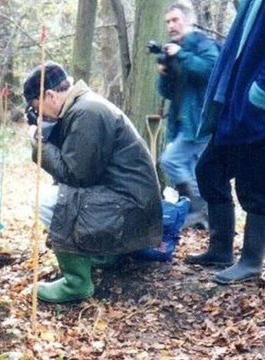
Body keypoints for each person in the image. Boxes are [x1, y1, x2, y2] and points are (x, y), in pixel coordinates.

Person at [23, 62, 163, 303]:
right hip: (129, 203)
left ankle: (76, 282)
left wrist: (40, 145)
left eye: (38, 108)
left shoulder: (87, 112)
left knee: (46, 201)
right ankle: (101, 255)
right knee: (60, 196)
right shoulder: (84, 107)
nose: (40, 116)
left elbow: (77, 175)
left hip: (130, 208)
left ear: (50, 95)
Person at [185, 0, 264, 284]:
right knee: (208, 170)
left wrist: (259, 95)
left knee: (254, 185)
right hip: (234, 105)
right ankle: (220, 249)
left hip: (256, 110)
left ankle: (252, 260)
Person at [156, 2, 219, 229]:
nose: (171, 25)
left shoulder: (203, 43)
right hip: (181, 122)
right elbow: (166, 92)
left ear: (188, 20)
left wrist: (181, 55)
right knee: (195, 170)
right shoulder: (173, 49)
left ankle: (199, 210)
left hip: (201, 120)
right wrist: (164, 74)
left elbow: (210, 71)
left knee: (170, 160)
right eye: (168, 22)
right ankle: (207, 219)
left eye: (175, 20)